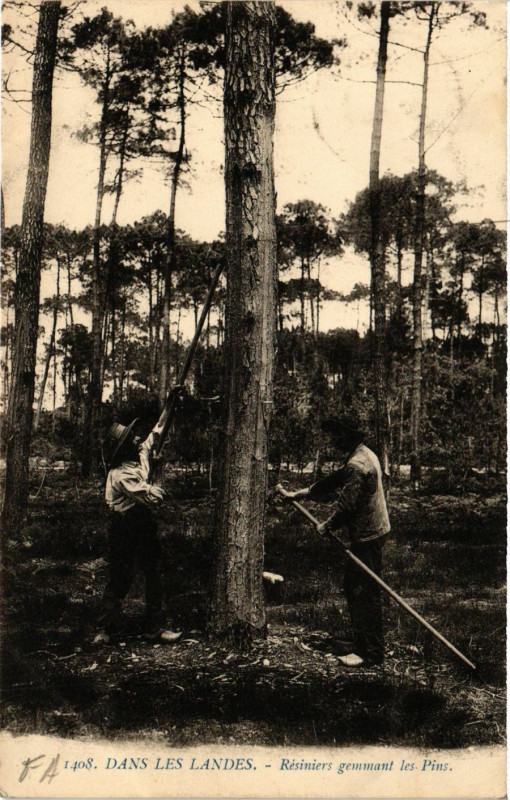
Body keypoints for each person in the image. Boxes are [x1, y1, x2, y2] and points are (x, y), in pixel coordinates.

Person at [283, 414, 390, 667]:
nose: (334, 442)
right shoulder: (363, 453)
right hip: (373, 531)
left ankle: (372, 653)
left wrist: (327, 525)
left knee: (365, 592)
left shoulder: (357, 464)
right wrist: (303, 493)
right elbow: (336, 480)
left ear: (348, 437)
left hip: (368, 535)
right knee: (355, 586)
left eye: (337, 437)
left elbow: (347, 508)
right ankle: (362, 642)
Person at [93, 413, 182, 646]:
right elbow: (155, 497)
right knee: (120, 576)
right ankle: (105, 627)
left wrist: (171, 402)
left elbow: (157, 431)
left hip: (141, 522)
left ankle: (155, 627)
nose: (138, 439)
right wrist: (160, 468)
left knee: (153, 571)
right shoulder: (122, 475)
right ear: (123, 449)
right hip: (123, 526)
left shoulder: (138, 455)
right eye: (132, 438)